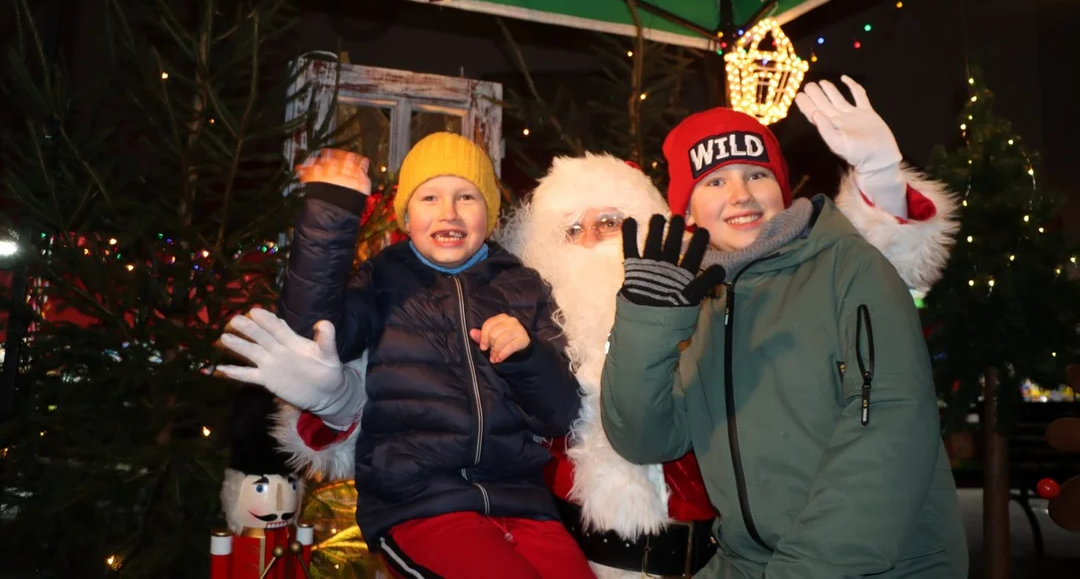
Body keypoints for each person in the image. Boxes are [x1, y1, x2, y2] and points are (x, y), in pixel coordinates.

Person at [273, 78, 962, 578]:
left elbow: (882, 295)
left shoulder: (716, 292)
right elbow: (411, 397)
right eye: (575, 228)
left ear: (655, 222)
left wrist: (883, 187)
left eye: (613, 221)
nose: (597, 238)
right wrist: (333, 399)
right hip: (585, 553)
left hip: (732, 556)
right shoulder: (522, 309)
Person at [599, 99, 968, 577]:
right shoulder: (702, 303)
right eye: (714, 182)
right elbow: (648, 440)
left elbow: (889, 430)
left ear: (782, 185)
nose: (741, 195)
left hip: (874, 565)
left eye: (756, 174)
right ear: (687, 209)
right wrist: (646, 324)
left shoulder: (851, 267)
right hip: (746, 564)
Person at [217, 132, 594, 579]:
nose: (448, 212)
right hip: (419, 503)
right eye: (429, 196)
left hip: (523, 502)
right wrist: (331, 213)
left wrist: (525, 356)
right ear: (406, 213)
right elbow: (313, 333)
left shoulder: (523, 285)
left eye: (466, 196)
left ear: (489, 212)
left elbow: (561, 413)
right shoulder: (382, 279)